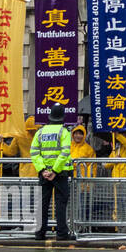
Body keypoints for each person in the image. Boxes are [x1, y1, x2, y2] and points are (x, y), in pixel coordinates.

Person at [29, 103, 74, 240]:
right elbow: (65, 152)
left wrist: (43, 170)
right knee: (60, 203)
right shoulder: (64, 132)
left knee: (43, 203)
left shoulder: (40, 132)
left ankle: (40, 232)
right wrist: (55, 170)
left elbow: (34, 152)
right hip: (60, 173)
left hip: (44, 173)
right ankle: (61, 233)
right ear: (62, 116)